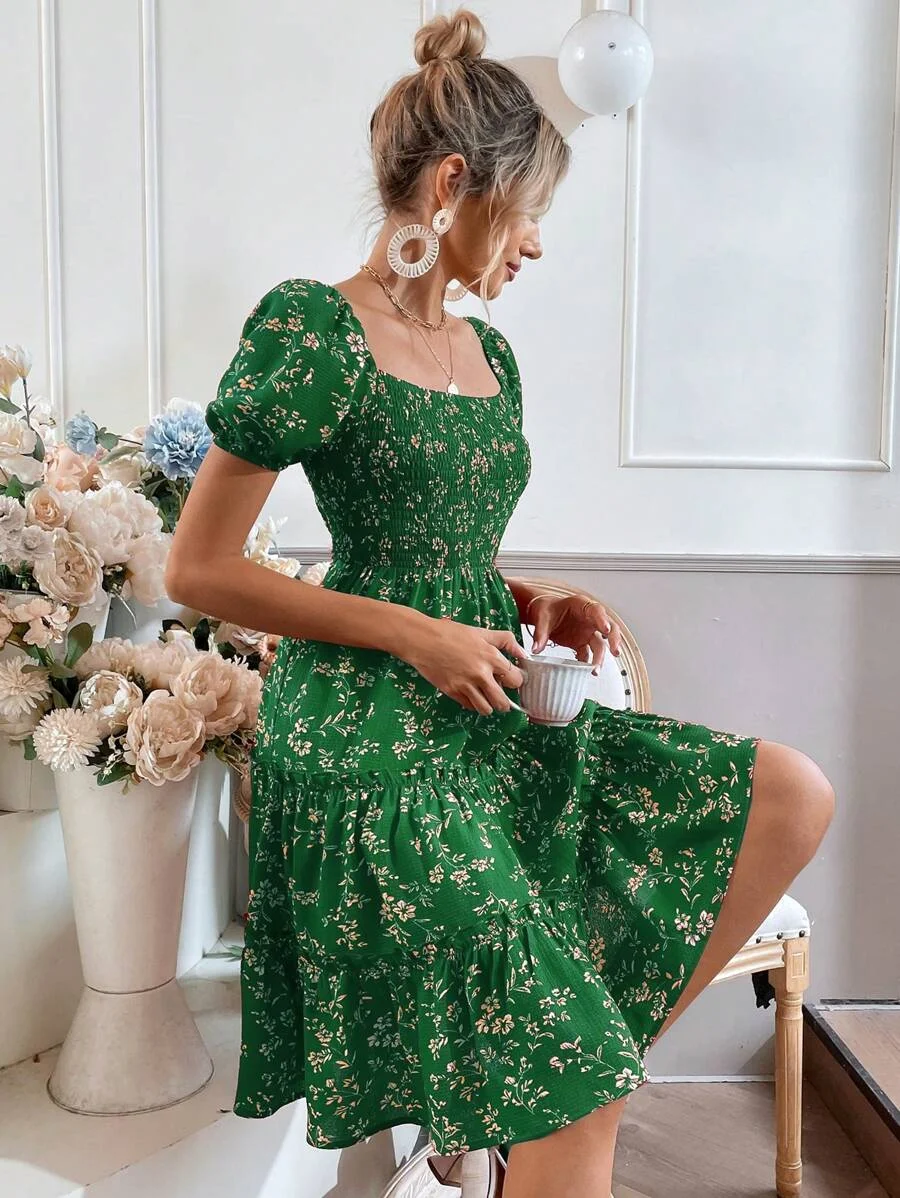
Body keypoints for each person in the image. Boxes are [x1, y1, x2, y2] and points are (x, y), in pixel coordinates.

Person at [166, 9, 835, 1197]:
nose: (535, 245)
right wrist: (417, 632)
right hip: (365, 738)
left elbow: (433, 529)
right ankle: (554, 1095)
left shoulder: (490, 356)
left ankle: (539, 1089)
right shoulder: (314, 328)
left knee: (790, 791)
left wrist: (532, 592)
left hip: (484, 711)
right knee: (578, 1088)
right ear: (452, 187)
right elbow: (198, 570)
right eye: (528, 213)